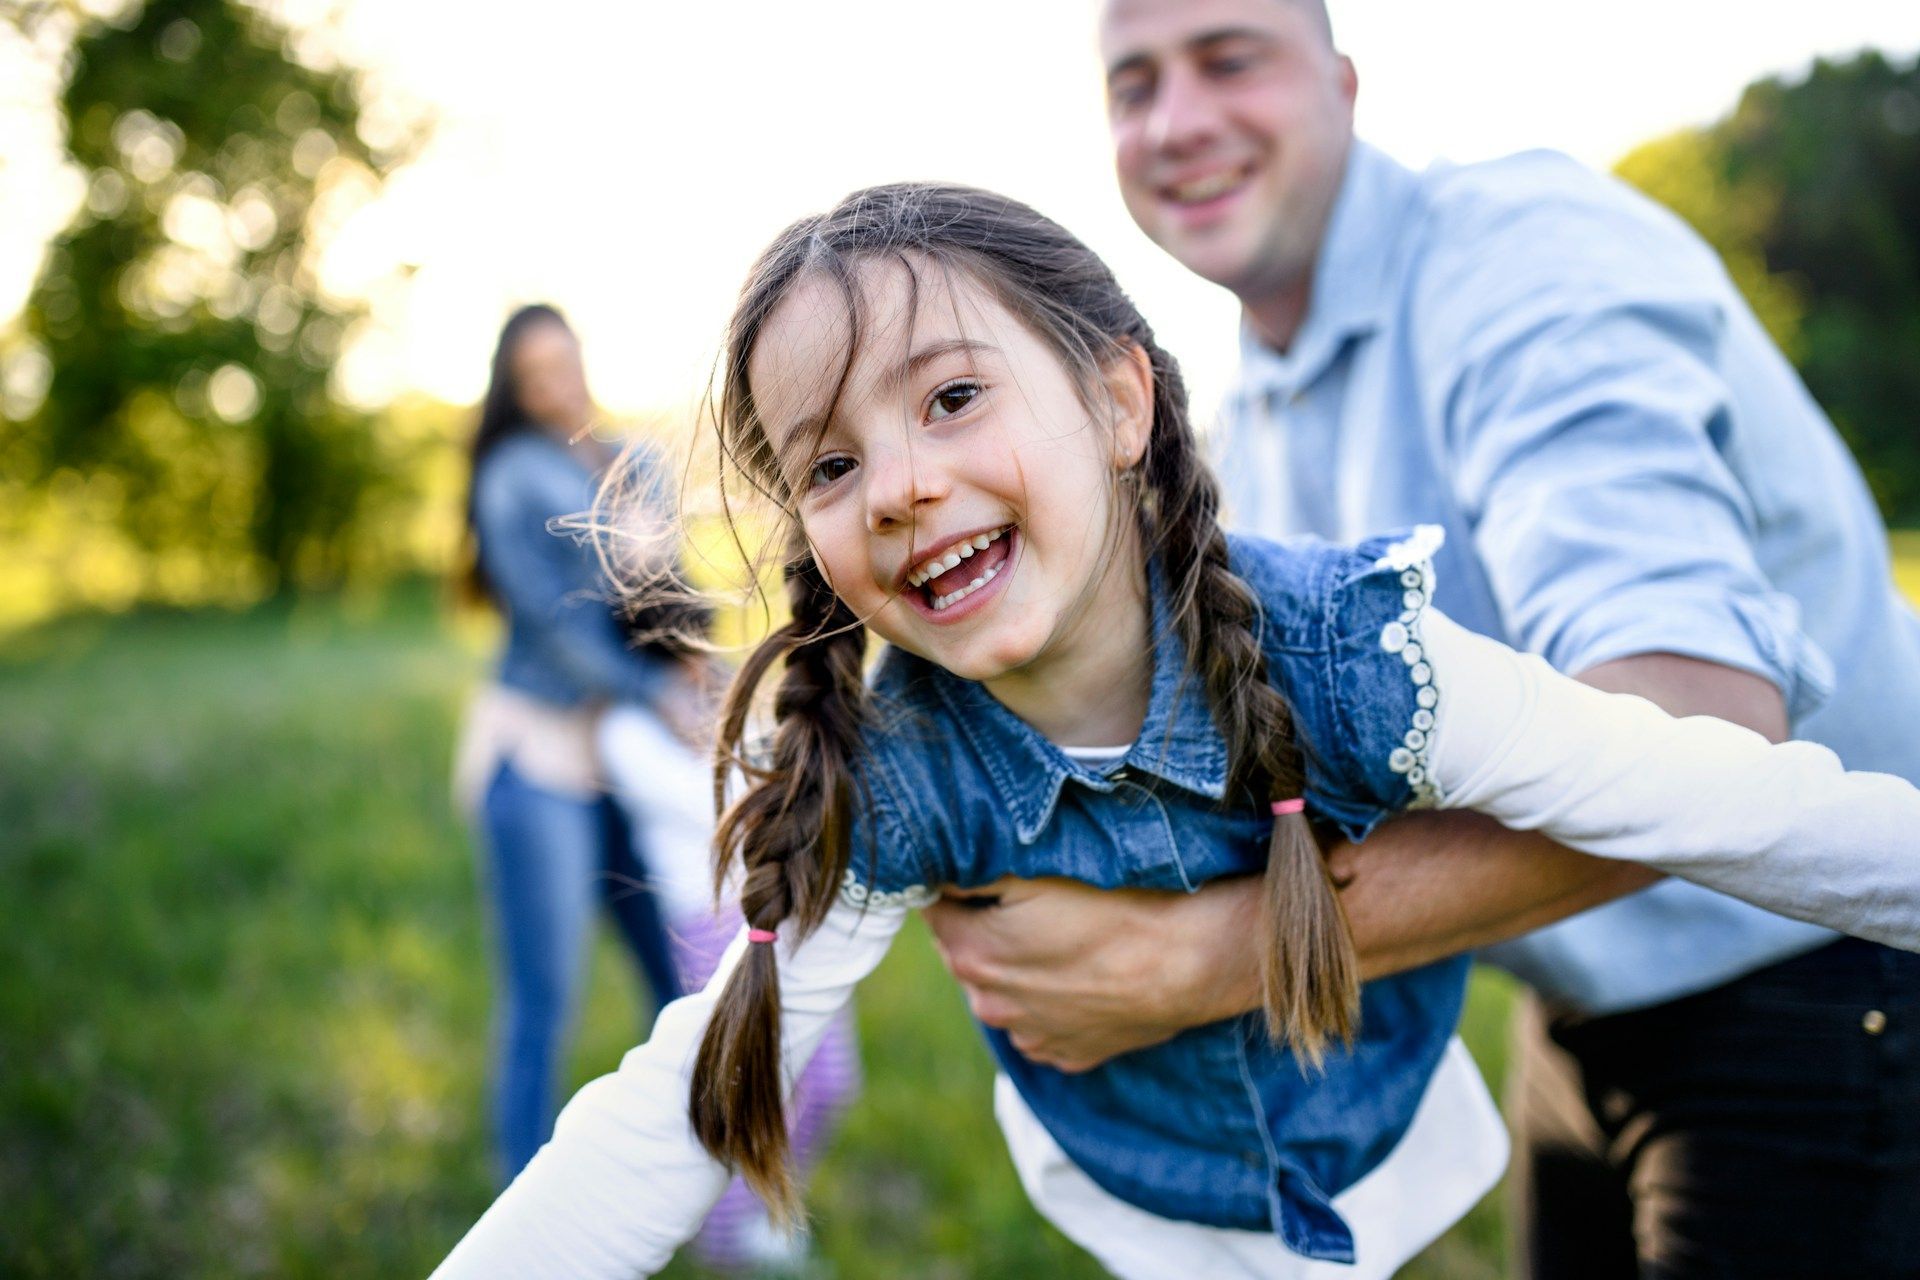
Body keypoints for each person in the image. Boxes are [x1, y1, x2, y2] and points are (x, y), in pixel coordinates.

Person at [431, 183, 1920, 1280]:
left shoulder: (1354, 654)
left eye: (951, 396)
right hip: (1146, 1215)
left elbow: (1721, 803)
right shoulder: (895, 779)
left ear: (1118, 397)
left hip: (1399, 1147)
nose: (895, 485)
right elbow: (670, 1111)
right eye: (830, 463)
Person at [923, 2, 1920, 1276]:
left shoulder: (1523, 265)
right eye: (1134, 85)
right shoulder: (1246, 402)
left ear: (1343, 81)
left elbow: (1700, 728)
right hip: (1574, 997)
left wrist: (1198, 960)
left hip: (1816, 986)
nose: (1176, 122)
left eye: (1230, 59)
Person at [451, 303, 707, 1181]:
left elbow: (666, 585)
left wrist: (695, 663)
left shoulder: (634, 457)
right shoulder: (512, 476)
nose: (560, 384)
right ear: (515, 391)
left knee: (679, 988)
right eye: (537, 375)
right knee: (543, 1000)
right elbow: (555, 624)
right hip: (542, 756)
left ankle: (685, 1184)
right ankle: (520, 1211)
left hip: (624, 759)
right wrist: (653, 687)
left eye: (566, 361)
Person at [597, 587, 861, 1274]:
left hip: (784, 900)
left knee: (829, 1077)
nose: (701, 670)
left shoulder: (722, 703)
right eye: (688, 656)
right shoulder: (624, 731)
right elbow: (719, 806)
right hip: (707, 921)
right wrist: (715, 741)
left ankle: (761, 1213)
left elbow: (782, 780)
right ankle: (725, 1237)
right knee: (742, 1085)